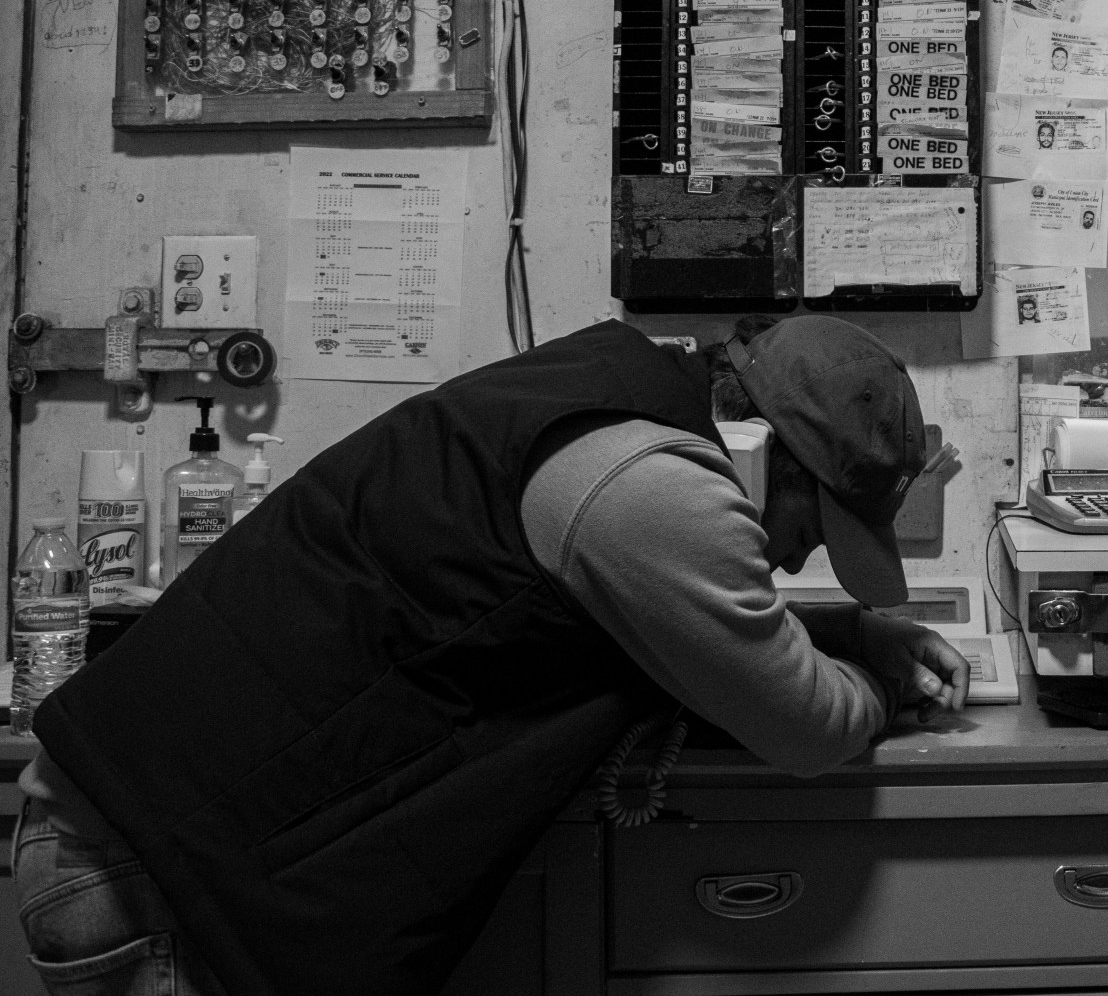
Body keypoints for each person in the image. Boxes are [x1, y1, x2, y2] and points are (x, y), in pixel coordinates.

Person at [14, 316, 969, 995]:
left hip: (154, 835)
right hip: (155, 880)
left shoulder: (609, 398)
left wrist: (855, 631)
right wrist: (884, 686)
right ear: (769, 452)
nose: (801, 555)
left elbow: (680, 620)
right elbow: (803, 727)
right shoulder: (653, 491)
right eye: (815, 523)